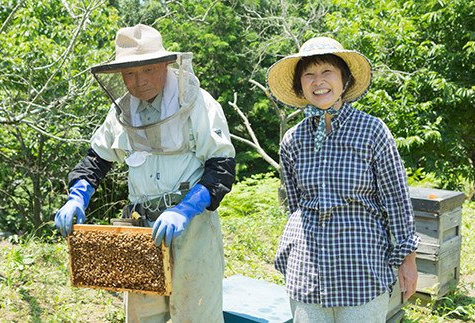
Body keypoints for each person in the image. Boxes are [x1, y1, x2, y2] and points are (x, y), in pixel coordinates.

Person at [54, 24, 235, 322]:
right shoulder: (122, 112)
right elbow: (95, 160)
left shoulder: (198, 103)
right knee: (143, 318)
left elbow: (222, 168)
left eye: (148, 70)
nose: (139, 82)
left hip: (193, 231)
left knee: (196, 315)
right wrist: (77, 197)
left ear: (166, 65)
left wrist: (185, 209)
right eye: (129, 74)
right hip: (140, 232)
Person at [266, 36, 420, 322]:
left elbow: (396, 199)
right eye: (308, 74)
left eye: (327, 72)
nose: (318, 81)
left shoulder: (372, 131)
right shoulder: (293, 139)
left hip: (361, 266)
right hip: (307, 270)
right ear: (300, 86)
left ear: (344, 80)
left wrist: (407, 259)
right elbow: (294, 204)